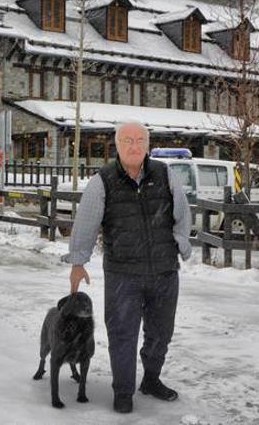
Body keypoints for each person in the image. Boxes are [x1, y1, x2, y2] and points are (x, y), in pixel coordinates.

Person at [61, 120, 192, 414]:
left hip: (164, 272)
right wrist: (78, 262)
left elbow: (182, 212)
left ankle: (151, 379)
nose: (134, 146)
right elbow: (86, 223)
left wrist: (180, 243)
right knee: (122, 334)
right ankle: (123, 391)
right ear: (117, 145)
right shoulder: (103, 181)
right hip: (123, 274)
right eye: (127, 141)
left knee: (161, 332)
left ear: (148, 145)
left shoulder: (164, 173)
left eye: (140, 141)